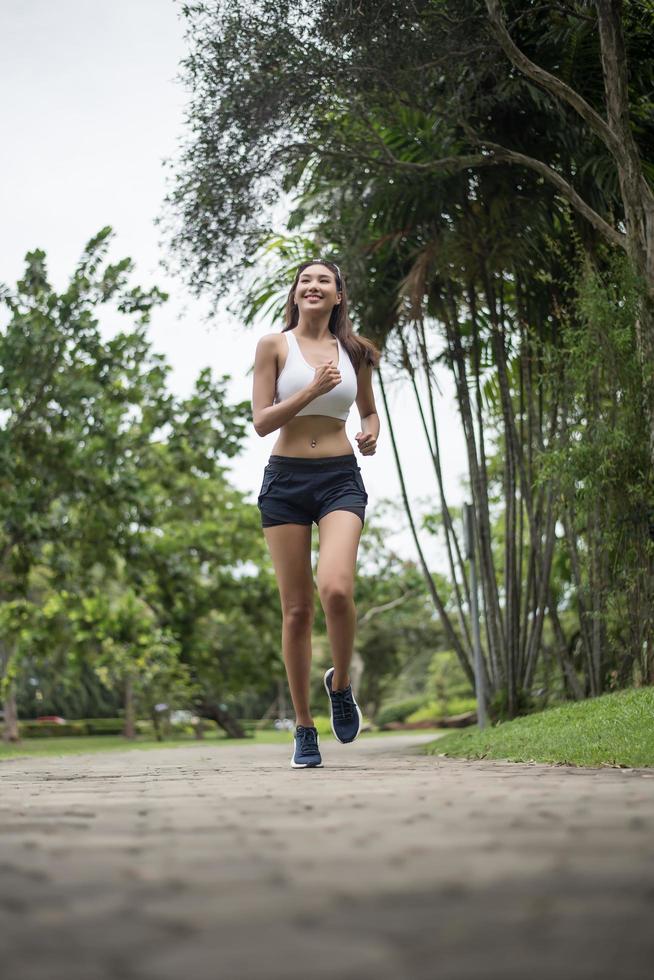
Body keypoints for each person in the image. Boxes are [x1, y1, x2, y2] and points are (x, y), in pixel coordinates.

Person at [251, 259, 381, 769]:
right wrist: (310, 391)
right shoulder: (274, 346)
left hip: (339, 480)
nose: (312, 285)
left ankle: (341, 685)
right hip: (285, 481)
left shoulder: (356, 352)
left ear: (338, 296)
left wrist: (371, 432)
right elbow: (261, 422)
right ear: (296, 293)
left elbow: (368, 409)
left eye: (323, 280)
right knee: (297, 609)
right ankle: (304, 729)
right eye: (305, 280)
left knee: (337, 589)